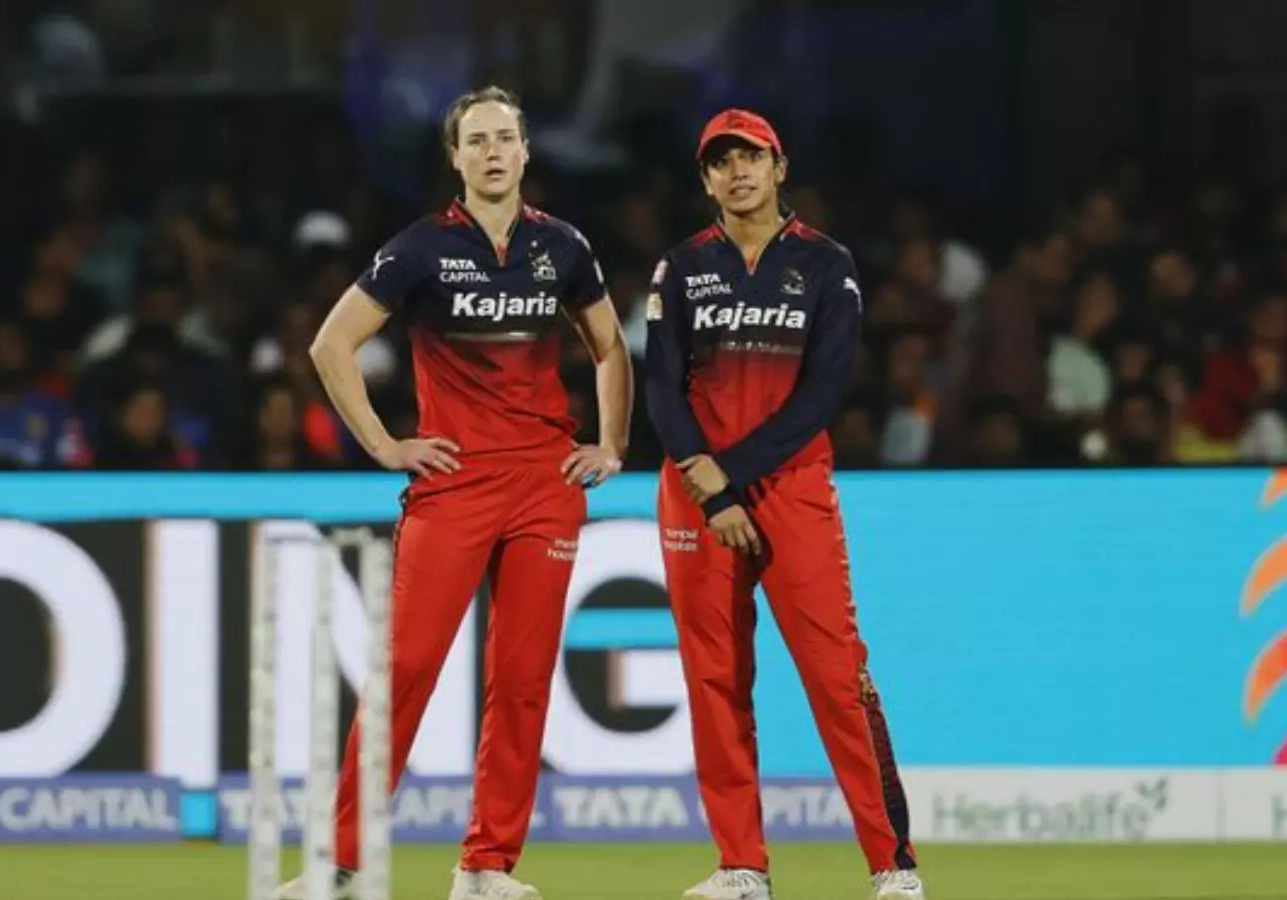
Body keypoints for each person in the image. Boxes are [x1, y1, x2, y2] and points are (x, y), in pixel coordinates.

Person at [275, 85, 633, 900]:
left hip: (544, 484)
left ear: (527, 150)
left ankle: (486, 867)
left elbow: (611, 348)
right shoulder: (420, 249)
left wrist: (611, 445)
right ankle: (340, 866)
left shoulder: (563, 247)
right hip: (454, 481)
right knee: (407, 666)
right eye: (477, 140)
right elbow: (331, 345)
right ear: (456, 157)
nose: (493, 152)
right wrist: (383, 444)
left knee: (523, 678)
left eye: (506, 138)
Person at [644, 109, 925, 900]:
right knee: (715, 678)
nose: (737, 172)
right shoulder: (681, 268)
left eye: (751, 157)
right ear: (707, 180)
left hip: (787, 486)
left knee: (837, 674)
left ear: (779, 167)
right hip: (695, 490)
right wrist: (708, 484)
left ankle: (893, 866)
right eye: (721, 161)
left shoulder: (826, 264)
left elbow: (824, 393)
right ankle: (741, 866)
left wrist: (727, 477)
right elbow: (660, 386)